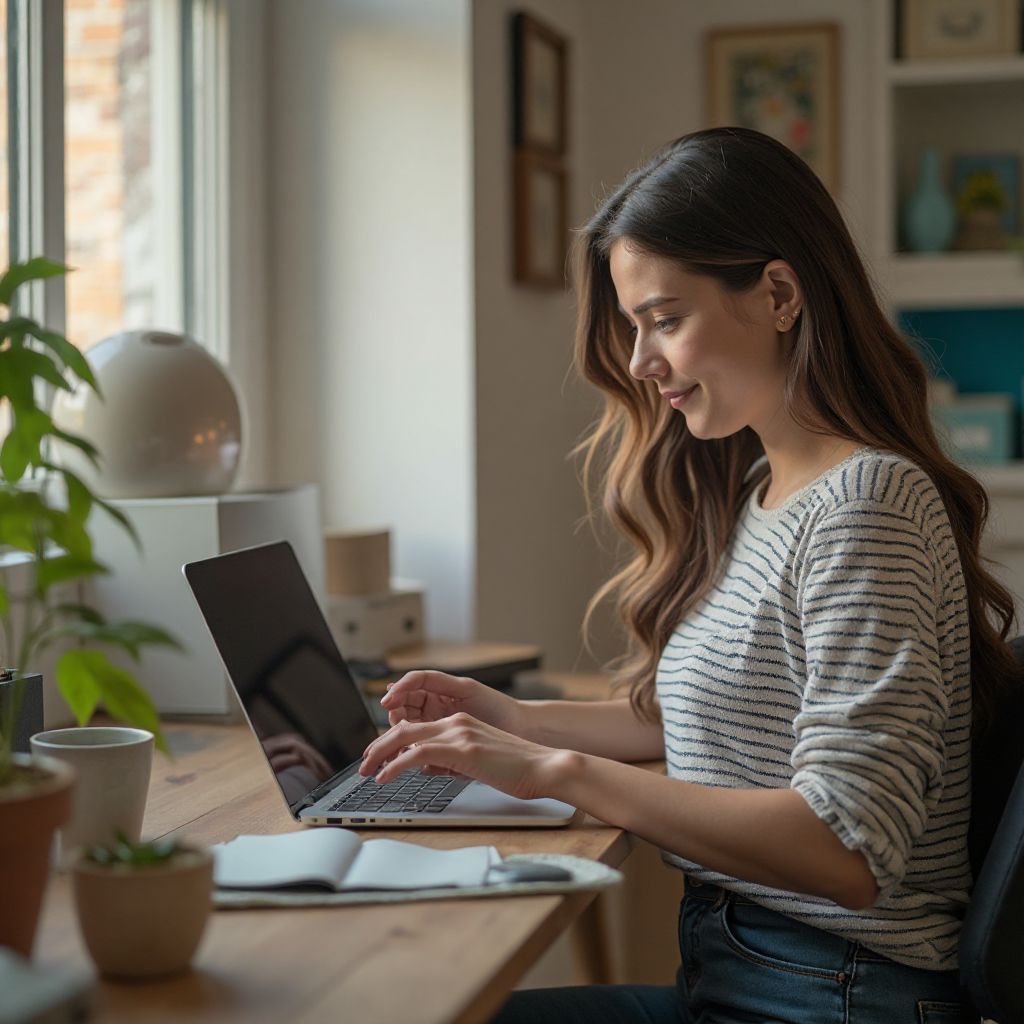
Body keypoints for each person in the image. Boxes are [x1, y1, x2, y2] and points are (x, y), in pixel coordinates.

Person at [358, 127, 1022, 1023]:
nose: (640, 363)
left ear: (780, 294)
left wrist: (555, 769)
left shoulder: (869, 505)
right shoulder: (767, 489)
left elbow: (845, 851)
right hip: (749, 972)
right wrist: (509, 717)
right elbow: (724, 719)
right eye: (635, 328)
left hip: (832, 994)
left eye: (665, 320)